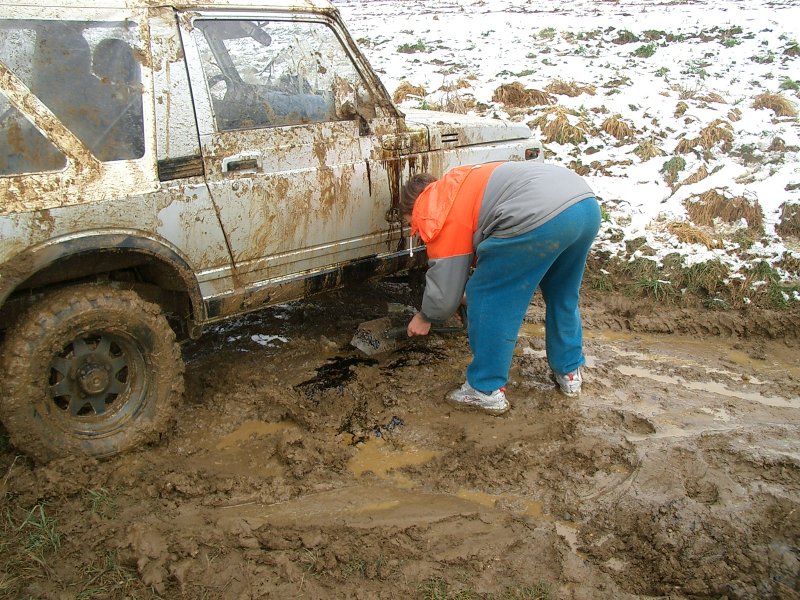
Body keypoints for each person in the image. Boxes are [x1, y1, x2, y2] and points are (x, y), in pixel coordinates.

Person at [400, 160, 601, 415]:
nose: (417, 232)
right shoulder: (462, 185)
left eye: (413, 225)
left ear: (416, 208)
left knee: (490, 299)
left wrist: (425, 316)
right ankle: (569, 371)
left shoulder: (435, 208)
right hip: (583, 205)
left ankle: (484, 390)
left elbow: (444, 292)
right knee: (563, 294)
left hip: (537, 215)